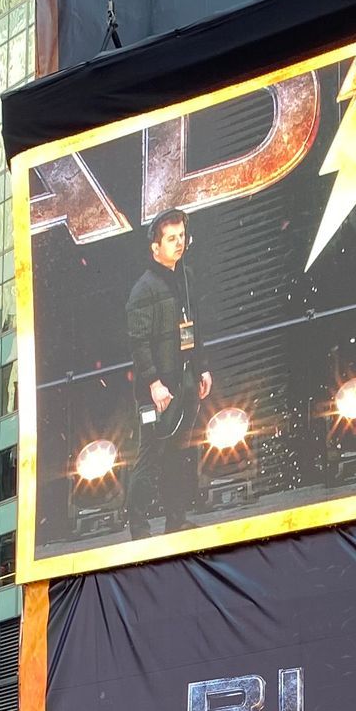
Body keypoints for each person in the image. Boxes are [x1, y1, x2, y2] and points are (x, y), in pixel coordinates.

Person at [125, 211, 212, 537]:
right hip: (158, 390)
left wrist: (202, 367)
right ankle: (139, 529)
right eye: (171, 238)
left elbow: (195, 328)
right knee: (150, 456)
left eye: (182, 236)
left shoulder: (186, 278)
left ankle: (176, 520)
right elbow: (138, 342)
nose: (179, 243)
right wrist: (154, 383)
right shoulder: (143, 290)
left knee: (178, 453)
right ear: (155, 247)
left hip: (186, 381)